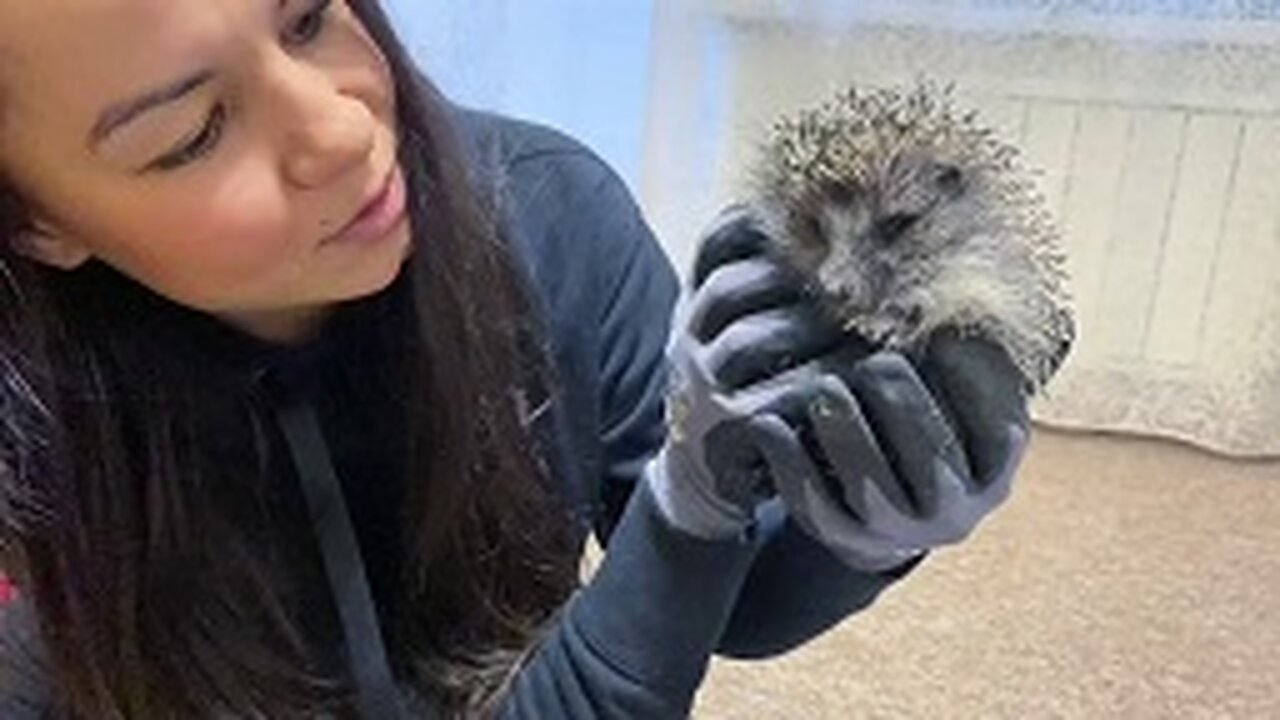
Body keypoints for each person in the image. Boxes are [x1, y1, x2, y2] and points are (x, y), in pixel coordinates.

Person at [0, 1, 1029, 717]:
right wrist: (684, 517)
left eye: (310, 17)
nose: (342, 131)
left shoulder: (552, 218)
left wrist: (852, 536)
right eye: (190, 134)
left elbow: (739, 613)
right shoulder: (37, 473)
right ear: (38, 221)